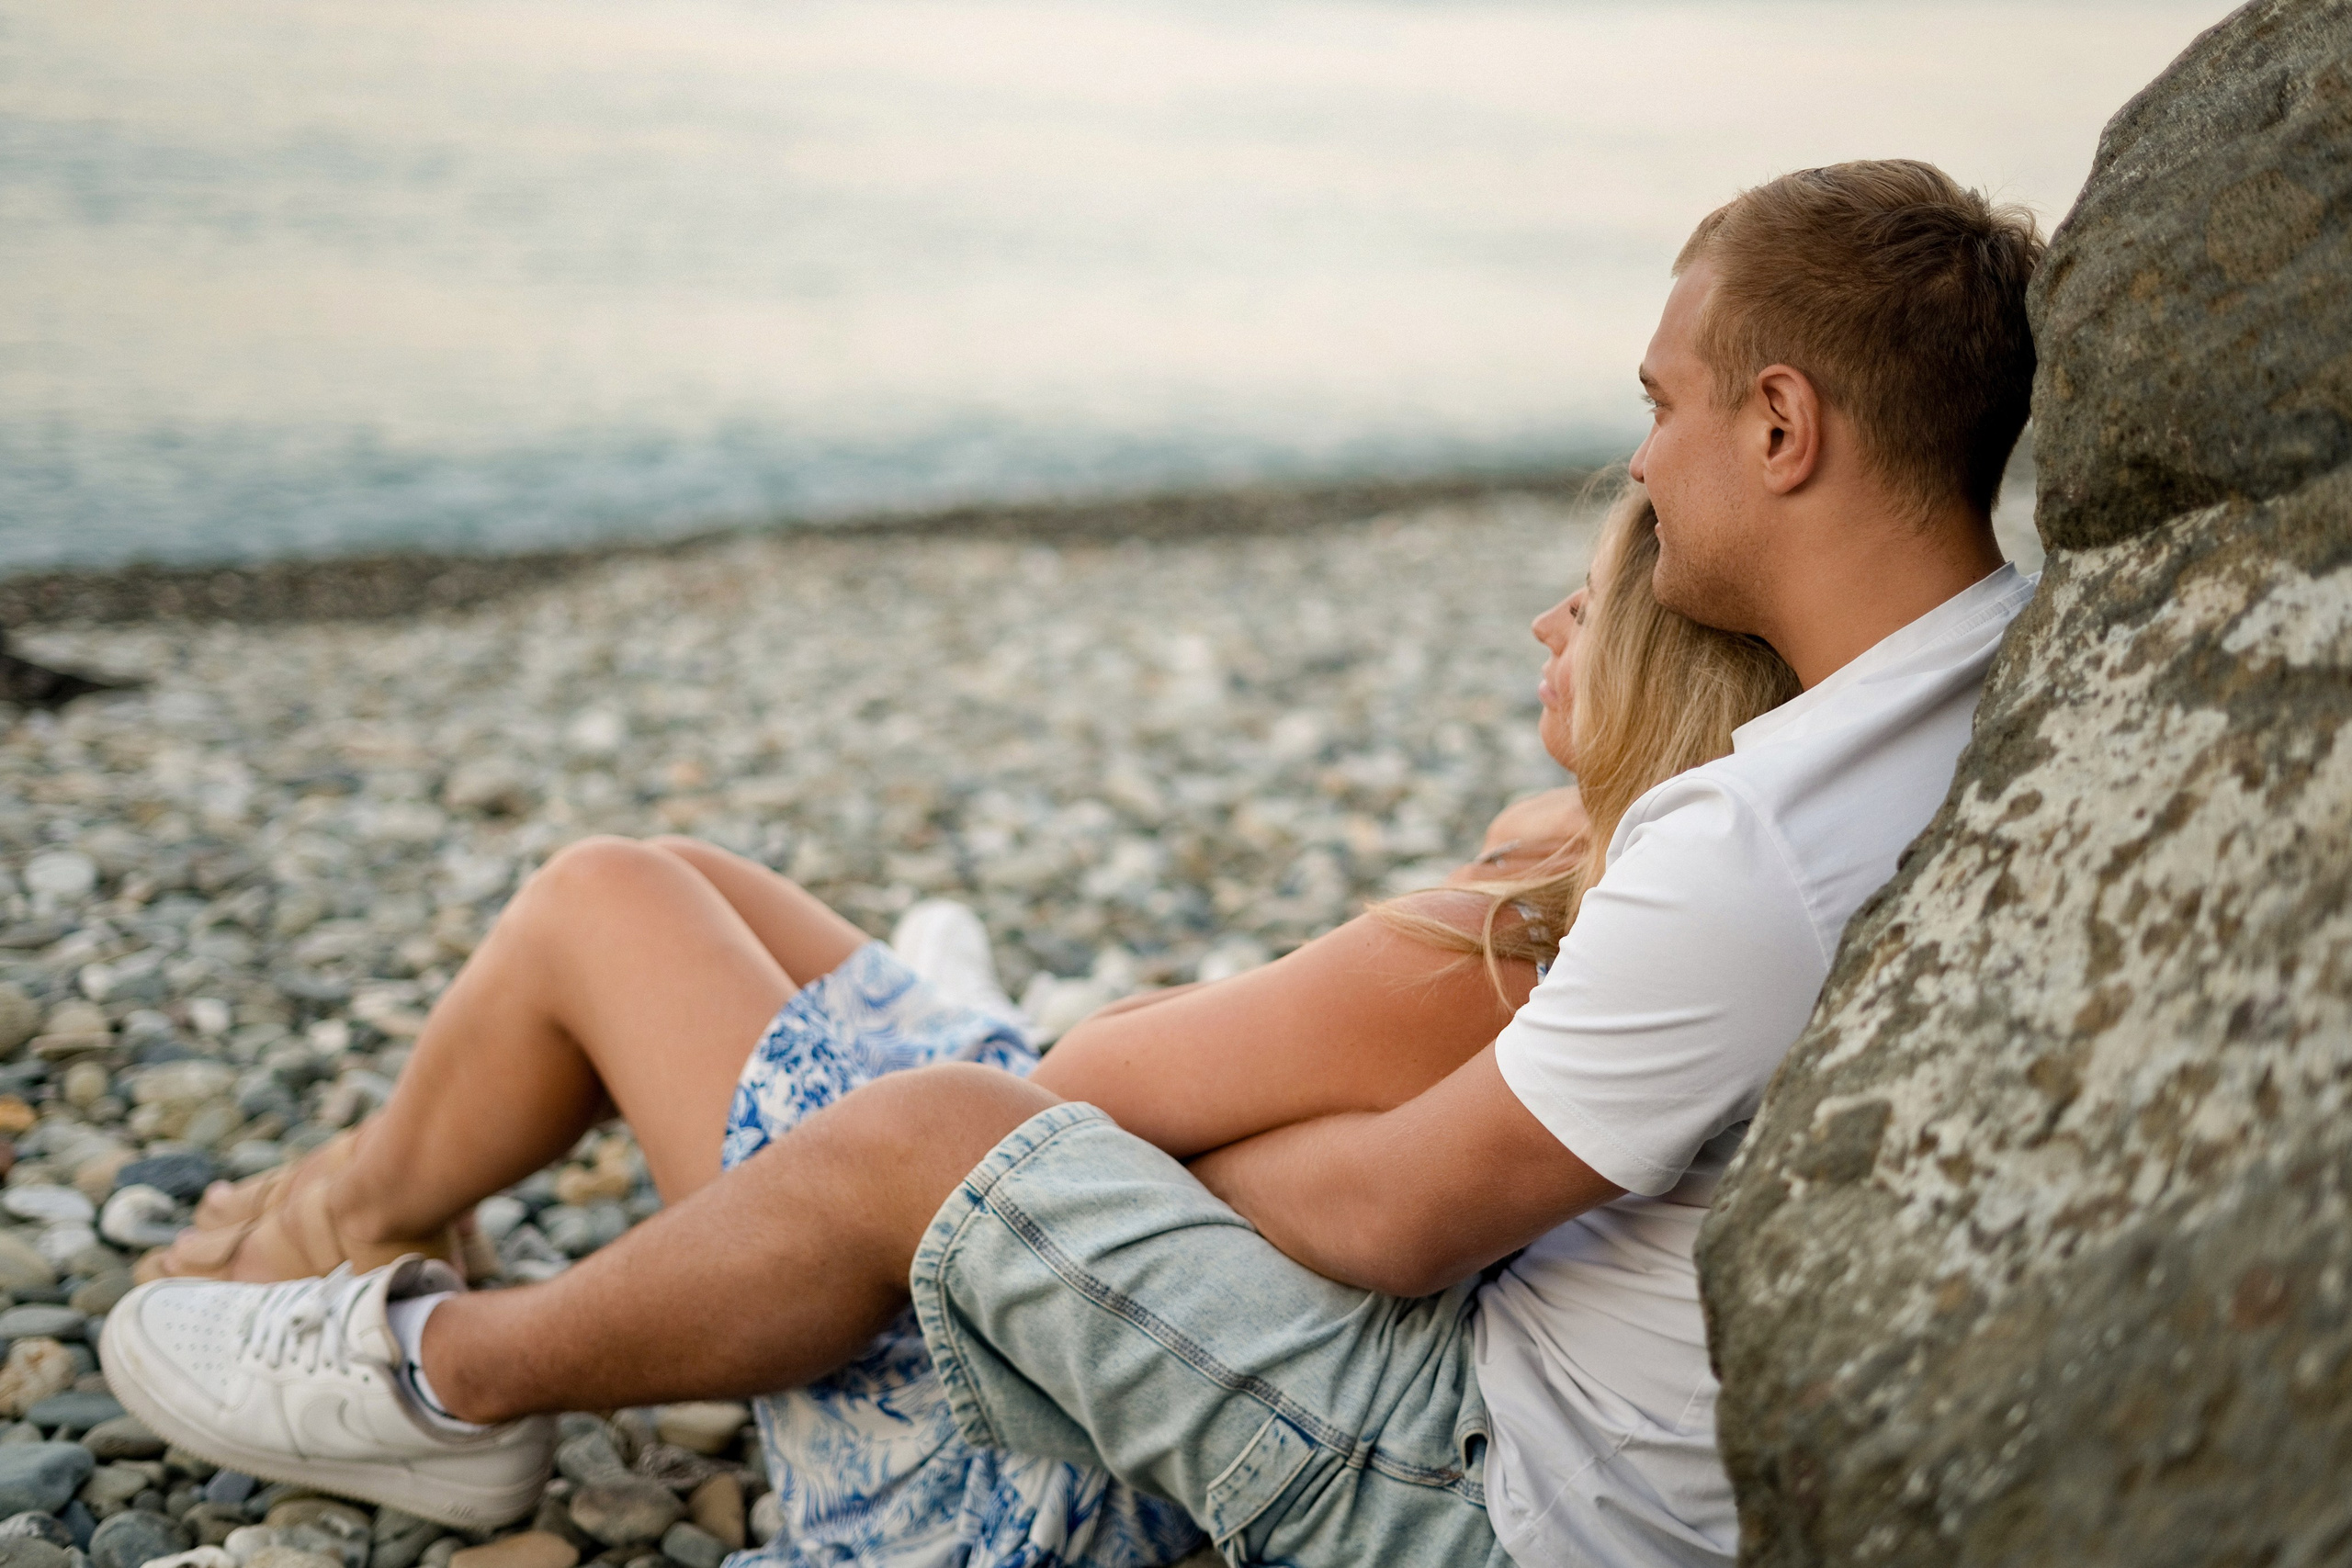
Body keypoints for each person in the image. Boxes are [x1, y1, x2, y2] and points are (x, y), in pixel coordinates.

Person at [103, 159, 2043, 1568]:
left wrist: (1118, 1148)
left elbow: (1386, 1217)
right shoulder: (1993, 680)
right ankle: (354, 1216)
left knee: (911, 1097)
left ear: (1779, 424)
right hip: (1540, 1386)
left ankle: (434, 1366)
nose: (1637, 464)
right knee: (709, 919)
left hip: (1491, 1484)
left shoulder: (1719, 848)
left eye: (1661, 406)